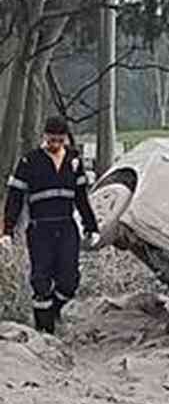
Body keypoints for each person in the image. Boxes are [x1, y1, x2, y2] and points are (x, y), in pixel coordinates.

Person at [1, 115, 100, 333]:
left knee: (69, 280)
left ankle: (53, 312)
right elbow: (14, 198)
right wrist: (7, 231)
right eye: (51, 140)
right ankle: (44, 331)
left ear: (66, 139)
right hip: (40, 229)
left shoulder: (74, 161)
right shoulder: (29, 161)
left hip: (66, 227)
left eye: (59, 140)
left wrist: (91, 226)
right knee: (41, 280)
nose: (55, 145)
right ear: (44, 137)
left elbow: (82, 198)